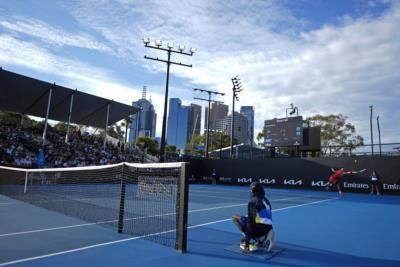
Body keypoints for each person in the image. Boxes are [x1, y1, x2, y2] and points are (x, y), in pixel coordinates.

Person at [232, 181, 274, 253]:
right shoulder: (266, 200)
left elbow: (250, 224)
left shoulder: (253, 201)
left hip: (258, 230)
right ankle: (263, 238)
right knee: (247, 217)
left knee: (235, 217)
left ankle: (254, 237)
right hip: (269, 227)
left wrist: (247, 244)